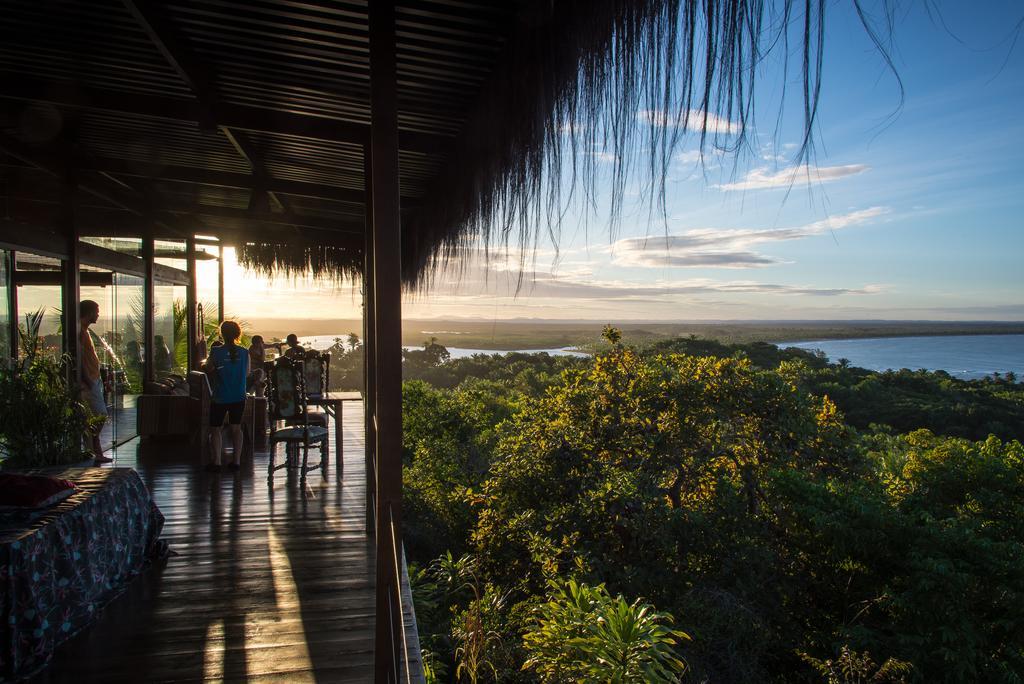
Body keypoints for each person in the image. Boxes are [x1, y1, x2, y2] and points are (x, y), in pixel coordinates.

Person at [204, 321, 249, 472]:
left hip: (220, 396)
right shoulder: (244, 352)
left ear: (222, 334)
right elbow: (247, 372)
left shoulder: (216, 352)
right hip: (239, 396)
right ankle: (236, 461)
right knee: (236, 428)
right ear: (238, 334)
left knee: (215, 429)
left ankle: (216, 462)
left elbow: (209, 368)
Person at [79, 300, 112, 464]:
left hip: (93, 379)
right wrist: (87, 380)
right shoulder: (80, 331)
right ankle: (94, 451)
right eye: (96, 311)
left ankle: (95, 452)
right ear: (89, 312)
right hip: (89, 381)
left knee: (95, 417)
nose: (98, 314)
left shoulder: (84, 331)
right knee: (100, 415)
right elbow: (78, 359)